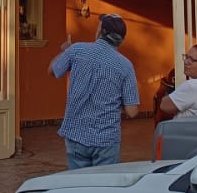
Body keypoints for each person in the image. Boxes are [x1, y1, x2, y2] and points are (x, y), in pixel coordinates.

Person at [49, 14, 140, 170]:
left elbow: (52, 70)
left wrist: (64, 51)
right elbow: (132, 111)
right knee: (103, 182)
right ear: (122, 39)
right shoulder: (126, 65)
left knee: (78, 181)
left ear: (100, 32)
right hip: (106, 140)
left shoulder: (76, 50)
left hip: (76, 135)